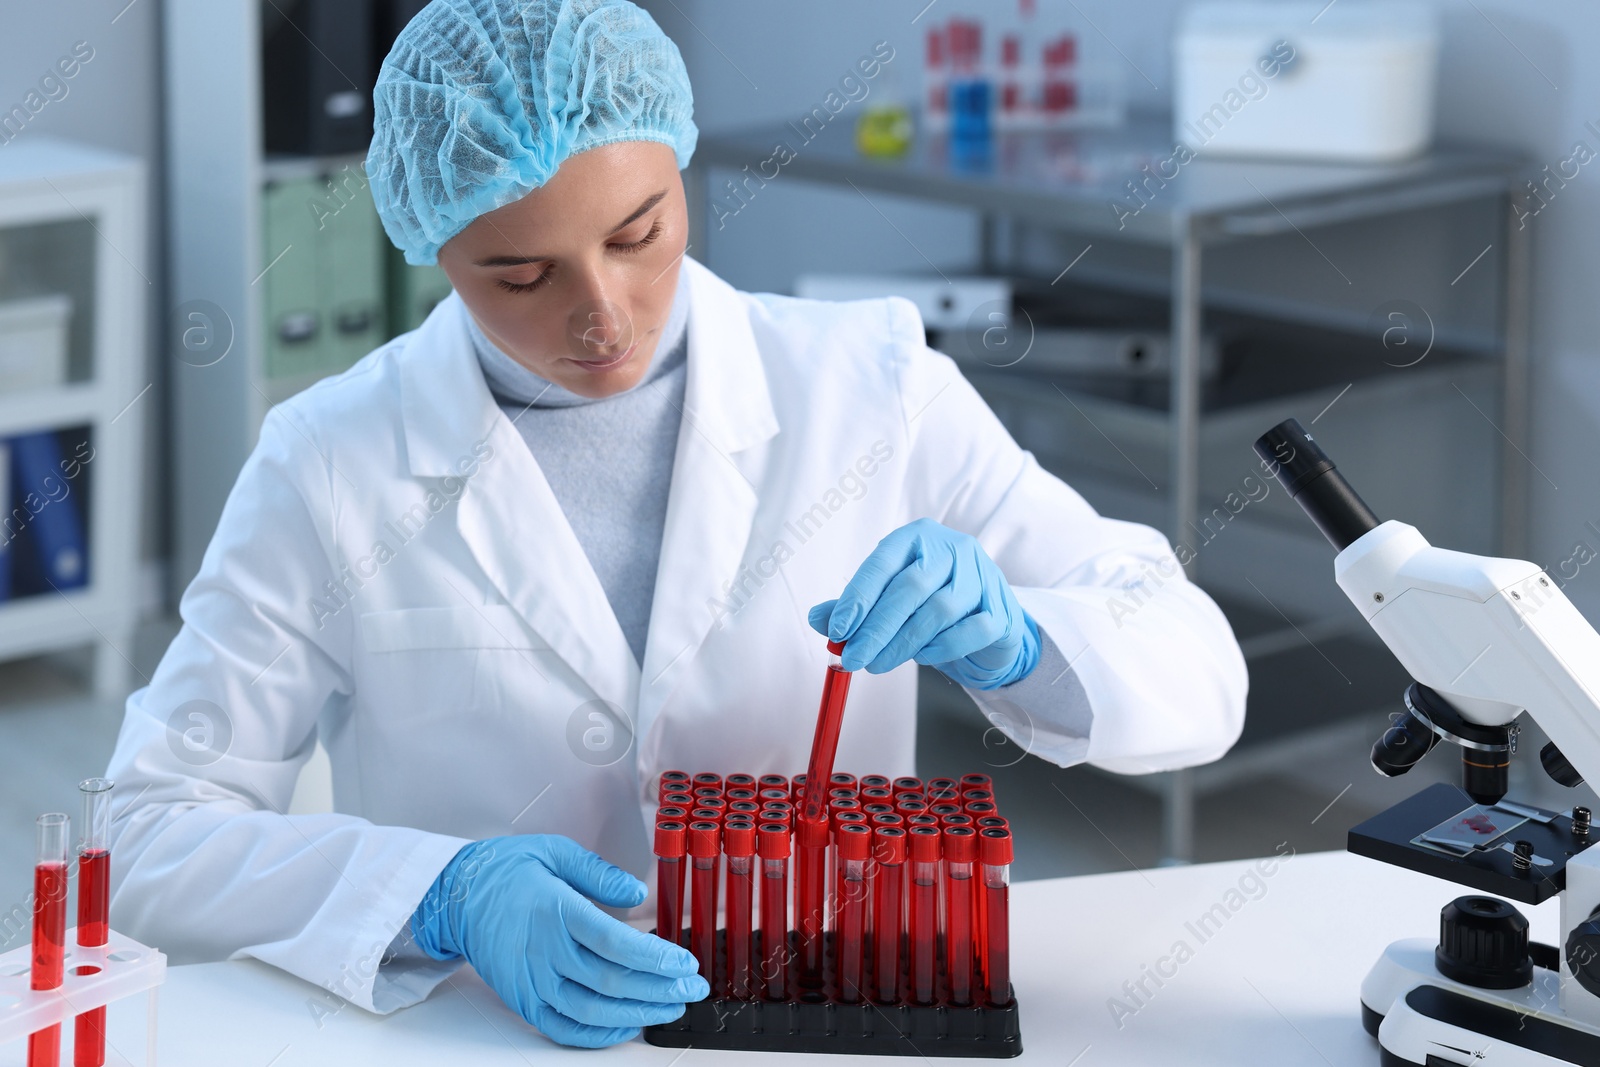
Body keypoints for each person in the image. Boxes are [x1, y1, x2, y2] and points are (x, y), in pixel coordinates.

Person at [104, 0, 1247, 1049]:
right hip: (489, 1031)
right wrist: (442, 893)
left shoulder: (872, 381)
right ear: (433, 248)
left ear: (677, 170)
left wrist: (1025, 639)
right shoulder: (330, 457)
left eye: (639, 233)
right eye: (519, 274)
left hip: (825, 1019)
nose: (600, 314)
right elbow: (148, 834)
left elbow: (1197, 669)